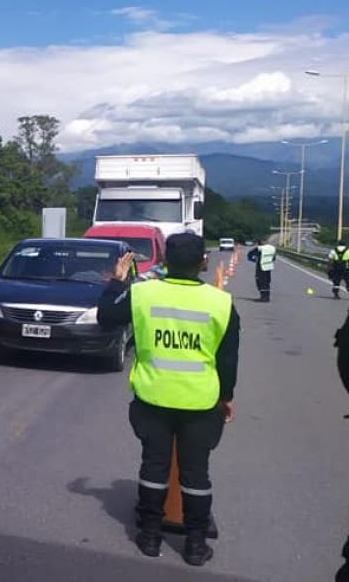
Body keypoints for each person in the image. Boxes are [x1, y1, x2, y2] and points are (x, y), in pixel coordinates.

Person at [98, 233, 240, 567]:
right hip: (201, 404)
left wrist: (118, 281)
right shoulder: (221, 303)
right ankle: (195, 545)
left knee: (153, 467)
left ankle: (149, 537)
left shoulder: (142, 292)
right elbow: (228, 360)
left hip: (153, 399)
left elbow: (106, 315)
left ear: (164, 260)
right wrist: (226, 398)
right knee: (196, 474)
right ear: (203, 262)